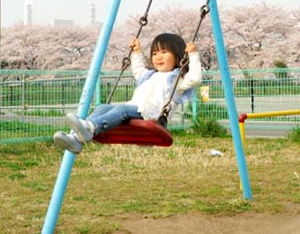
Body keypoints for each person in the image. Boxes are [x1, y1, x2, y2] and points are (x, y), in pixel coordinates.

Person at [53, 33, 201, 153]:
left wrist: (193, 55)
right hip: (136, 109)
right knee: (102, 108)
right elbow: (138, 70)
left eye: (164, 52)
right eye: (154, 53)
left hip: (152, 115)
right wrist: (137, 52)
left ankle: (91, 128)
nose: (158, 57)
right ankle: (76, 139)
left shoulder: (177, 79)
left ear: (178, 55)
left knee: (122, 109)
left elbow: (195, 79)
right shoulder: (150, 75)